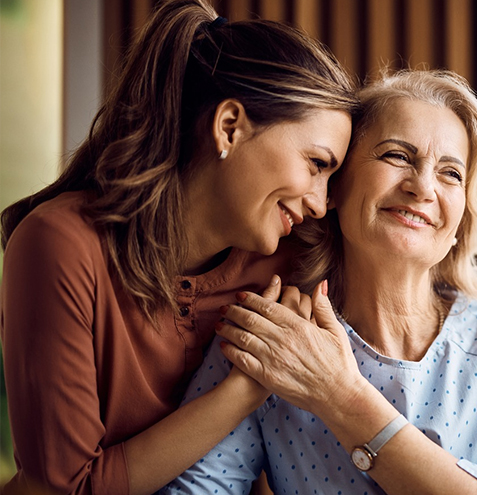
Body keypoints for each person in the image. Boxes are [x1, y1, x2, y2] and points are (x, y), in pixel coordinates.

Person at [0, 3, 477, 494]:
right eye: (395, 155)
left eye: (452, 173)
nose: (320, 201)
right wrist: (250, 387)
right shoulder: (275, 309)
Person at [0, 1, 357, 493]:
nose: (319, 204)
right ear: (229, 126)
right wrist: (243, 390)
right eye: (317, 164)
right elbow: (67, 488)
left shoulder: (289, 262)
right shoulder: (60, 247)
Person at [163, 70, 477, 495]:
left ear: (462, 218)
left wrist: (341, 396)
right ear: (334, 186)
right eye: (397, 156)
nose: (422, 187)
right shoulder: (272, 333)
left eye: (451, 173)